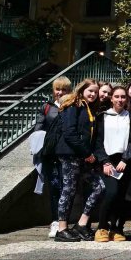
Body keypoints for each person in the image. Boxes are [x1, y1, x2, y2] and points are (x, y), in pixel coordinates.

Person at [53, 78, 105, 242]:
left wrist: (90, 154)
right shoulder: (72, 105)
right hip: (70, 154)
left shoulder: (90, 109)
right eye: (90, 91)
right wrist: (86, 153)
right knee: (68, 190)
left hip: (82, 156)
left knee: (99, 187)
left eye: (96, 92)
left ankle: (81, 224)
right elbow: (69, 133)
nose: (93, 94)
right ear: (82, 90)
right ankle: (62, 229)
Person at [92, 86, 131, 242]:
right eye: (116, 96)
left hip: (124, 161)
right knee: (111, 192)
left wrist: (125, 159)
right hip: (108, 161)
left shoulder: (130, 116)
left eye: (123, 97)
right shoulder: (103, 116)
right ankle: (102, 227)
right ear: (111, 98)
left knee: (122, 196)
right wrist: (105, 162)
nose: (120, 100)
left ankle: (115, 229)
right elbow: (97, 141)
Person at [34, 76, 72, 238]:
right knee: (56, 188)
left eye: (64, 89)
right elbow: (39, 129)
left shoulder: (73, 106)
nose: (60, 92)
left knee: (68, 188)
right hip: (52, 155)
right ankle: (56, 221)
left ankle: (66, 222)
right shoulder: (47, 107)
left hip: (69, 153)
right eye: (58, 89)